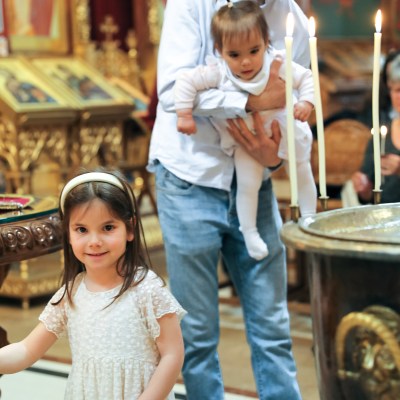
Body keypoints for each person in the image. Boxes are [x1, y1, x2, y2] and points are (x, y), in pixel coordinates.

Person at [148, 0, 310, 398]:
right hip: (189, 175)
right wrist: (251, 101)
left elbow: (294, 106)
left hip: (255, 178)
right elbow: (172, 92)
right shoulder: (190, 5)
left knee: (273, 325)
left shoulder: (293, 21)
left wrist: (274, 157)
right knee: (197, 332)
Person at [0, 169, 186, 400]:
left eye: (108, 228)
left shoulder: (147, 289)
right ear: (68, 234)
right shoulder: (71, 294)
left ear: (129, 229)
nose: (95, 241)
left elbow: (172, 355)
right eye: (82, 230)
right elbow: (26, 350)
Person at [174, 0, 316, 260]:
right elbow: (184, 82)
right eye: (235, 55)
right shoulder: (219, 71)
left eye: (254, 50)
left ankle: (308, 217)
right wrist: (184, 114)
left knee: (302, 169)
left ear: (266, 42)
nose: (246, 62)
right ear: (220, 51)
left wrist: (306, 102)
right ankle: (249, 232)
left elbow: (305, 77)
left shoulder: (276, 61)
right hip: (244, 139)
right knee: (248, 185)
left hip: (284, 129)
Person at [352, 51, 400, 204]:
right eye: (397, 90)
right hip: (385, 216)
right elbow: (370, 195)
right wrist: (364, 188)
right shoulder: (381, 135)